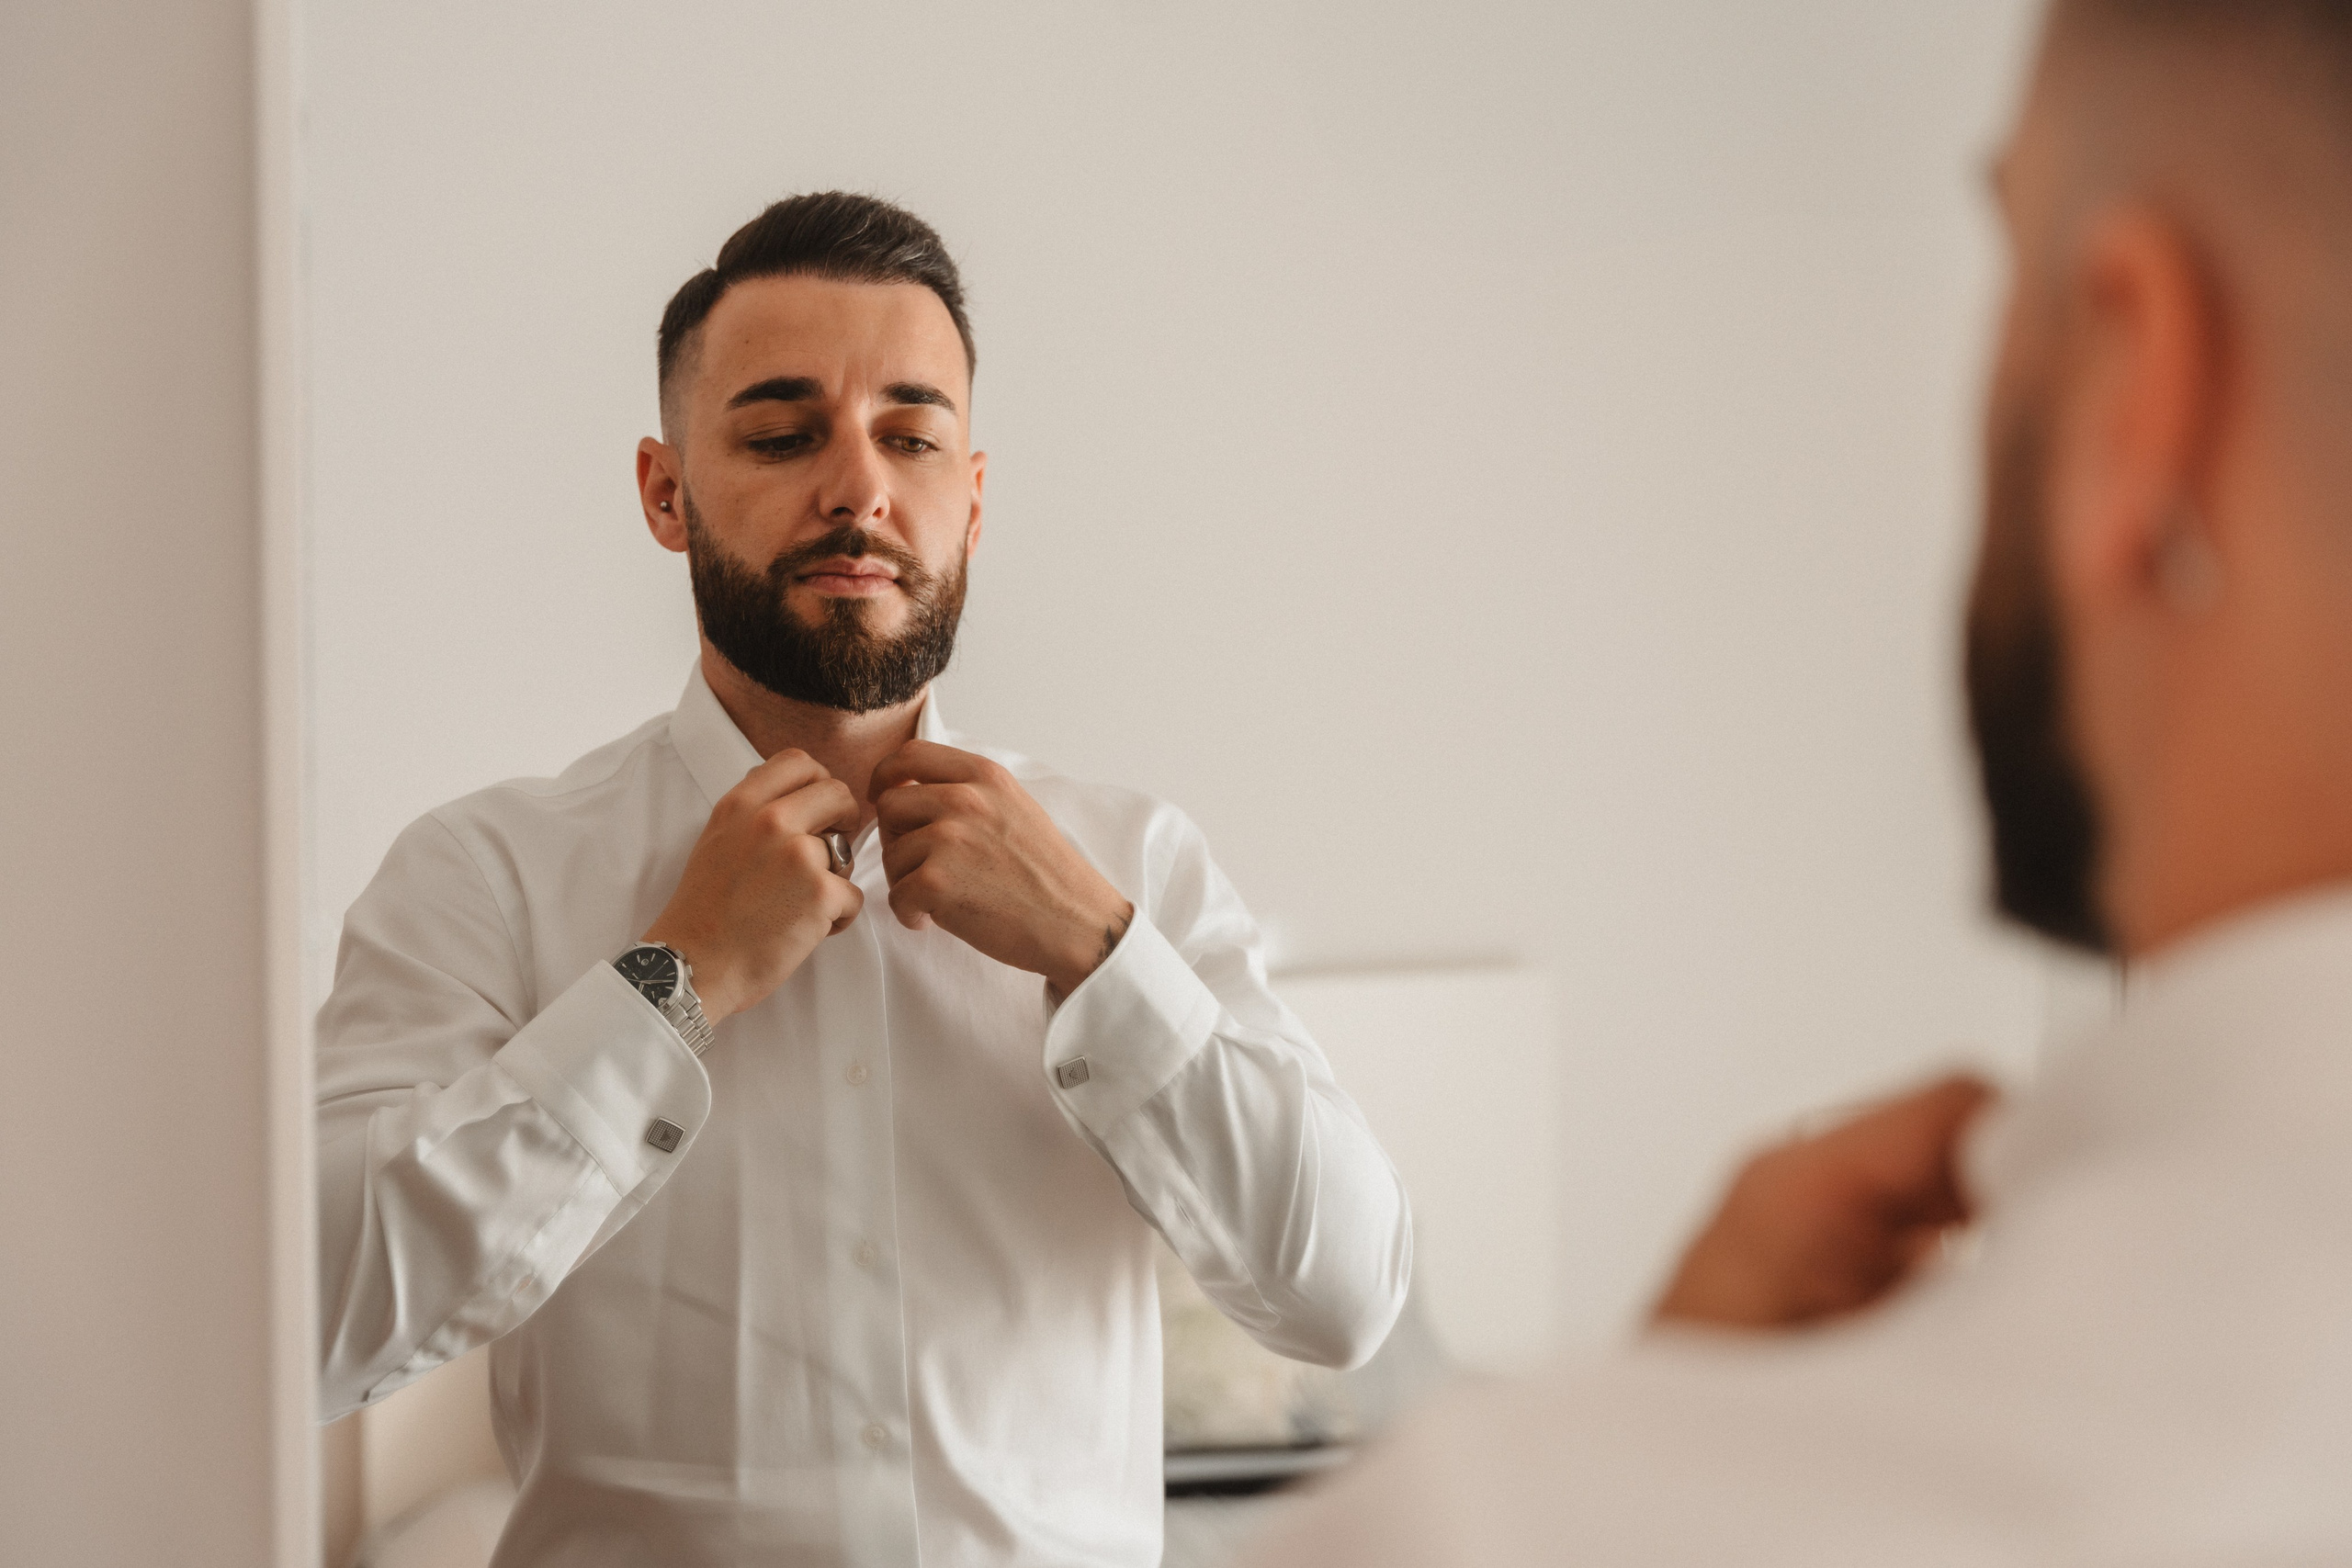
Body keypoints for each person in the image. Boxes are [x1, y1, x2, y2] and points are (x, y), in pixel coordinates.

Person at [1244, 1, 2352, 1561]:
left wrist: (1639, 1468)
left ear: (2131, 389)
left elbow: (1341, 1295)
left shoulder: (1499, 1533)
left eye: (2011, 276)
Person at [312, 192, 1412, 1568]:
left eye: (910, 435)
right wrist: (669, 989)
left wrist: (1101, 955)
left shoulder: (1136, 867)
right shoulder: (485, 876)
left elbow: (1344, 1297)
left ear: (974, 495)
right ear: (667, 493)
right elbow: (304, 1324)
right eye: (781, 435)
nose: (858, 489)